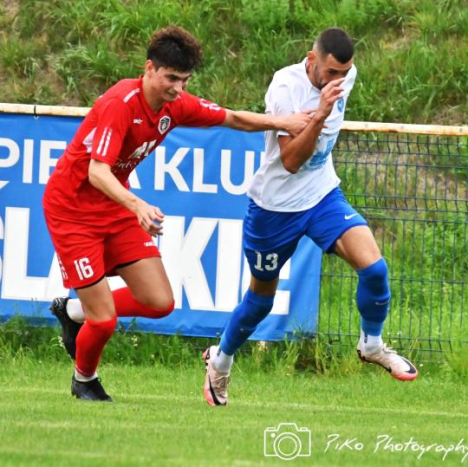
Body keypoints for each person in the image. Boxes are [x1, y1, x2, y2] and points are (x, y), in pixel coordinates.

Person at [46, 25, 312, 402]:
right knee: (103, 321)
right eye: (171, 78)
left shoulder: (175, 104)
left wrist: (282, 122)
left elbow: (232, 118)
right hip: (72, 211)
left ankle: (73, 310)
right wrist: (137, 204)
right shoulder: (120, 103)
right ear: (149, 68)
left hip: (114, 205)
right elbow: (97, 171)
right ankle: (84, 379)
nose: (178, 88)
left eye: (184, 80)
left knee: (159, 301)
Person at [201, 27, 417, 407]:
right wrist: (320, 114)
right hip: (274, 208)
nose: (339, 80)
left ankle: (371, 344)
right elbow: (291, 161)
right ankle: (220, 361)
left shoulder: (346, 75)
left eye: (345, 72)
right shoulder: (285, 86)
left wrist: (329, 101)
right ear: (311, 59)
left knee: (375, 269)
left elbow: (312, 164)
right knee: (260, 301)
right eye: (332, 72)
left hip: (321, 195)